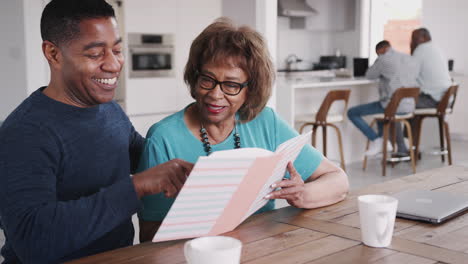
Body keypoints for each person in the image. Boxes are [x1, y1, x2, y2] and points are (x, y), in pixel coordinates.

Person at [0, 0, 193, 263]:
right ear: (53, 54)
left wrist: (211, 164)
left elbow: (146, 155)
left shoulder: (109, 110)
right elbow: (32, 242)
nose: (113, 65)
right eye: (95, 54)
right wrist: (136, 187)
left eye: (117, 50)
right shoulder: (24, 133)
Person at [136, 18, 349, 242]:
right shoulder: (163, 138)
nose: (215, 95)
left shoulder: (266, 121)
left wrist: (302, 194)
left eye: (231, 85)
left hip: (262, 249)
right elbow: (149, 236)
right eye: (207, 79)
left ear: (250, 89)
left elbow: (338, 180)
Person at [347, 40, 419, 156]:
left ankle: (377, 139)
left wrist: (378, 62)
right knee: (381, 111)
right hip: (410, 106)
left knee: (352, 112)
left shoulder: (383, 59)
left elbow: (369, 75)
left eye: (378, 53)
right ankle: (390, 144)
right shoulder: (408, 58)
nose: (378, 56)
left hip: (392, 106)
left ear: (382, 50)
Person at [410, 28, 452, 108]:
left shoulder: (420, 49)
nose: (413, 42)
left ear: (425, 37)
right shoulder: (437, 48)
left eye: (415, 38)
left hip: (434, 100)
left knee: (401, 103)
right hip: (446, 99)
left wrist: (412, 49)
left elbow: (410, 76)